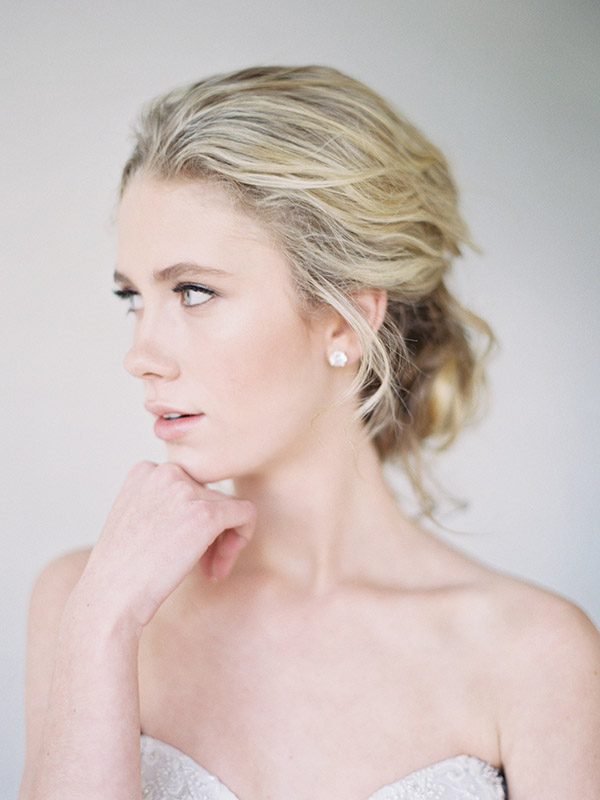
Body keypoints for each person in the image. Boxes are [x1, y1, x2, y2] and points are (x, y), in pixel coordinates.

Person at [19, 65, 600, 800]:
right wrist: (101, 626)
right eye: (132, 297)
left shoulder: (536, 656)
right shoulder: (85, 598)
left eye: (193, 291)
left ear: (344, 318)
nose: (140, 355)